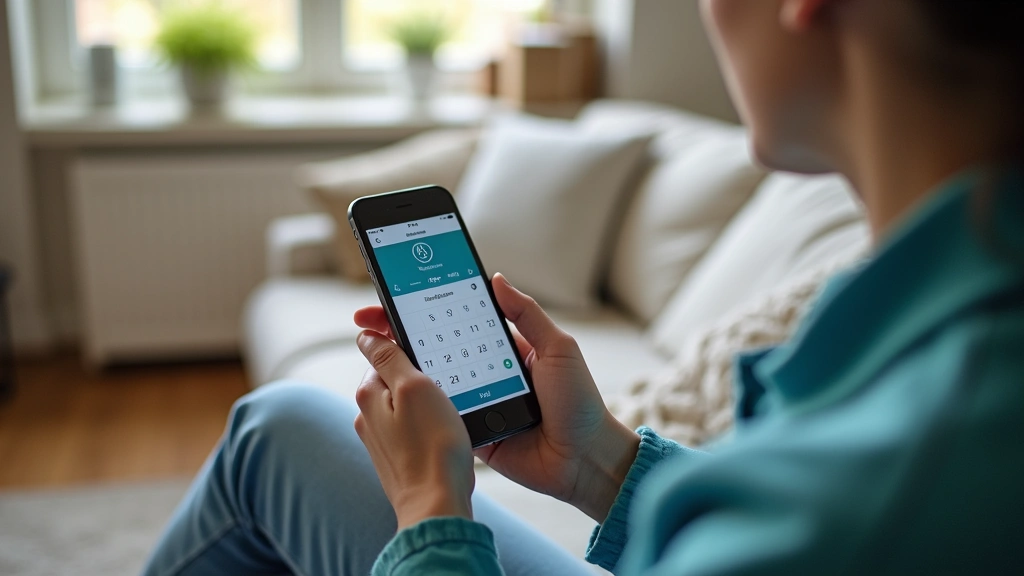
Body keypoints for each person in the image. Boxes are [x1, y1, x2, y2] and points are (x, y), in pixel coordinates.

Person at [143, 1, 1024, 574]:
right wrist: (600, 461)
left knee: (271, 437)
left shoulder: (882, 493)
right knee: (282, 421)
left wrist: (431, 511)